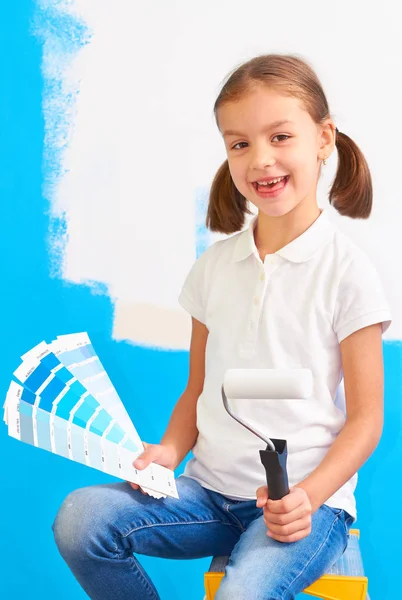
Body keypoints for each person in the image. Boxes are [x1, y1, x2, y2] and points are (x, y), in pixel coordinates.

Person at [52, 53, 391, 600]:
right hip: (206, 497)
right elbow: (199, 387)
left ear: (324, 137)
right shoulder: (213, 268)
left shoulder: (348, 273)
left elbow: (367, 419)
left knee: (239, 594)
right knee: (80, 519)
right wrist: (168, 451)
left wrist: (308, 495)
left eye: (280, 137)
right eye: (240, 144)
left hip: (302, 506)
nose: (261, 159)